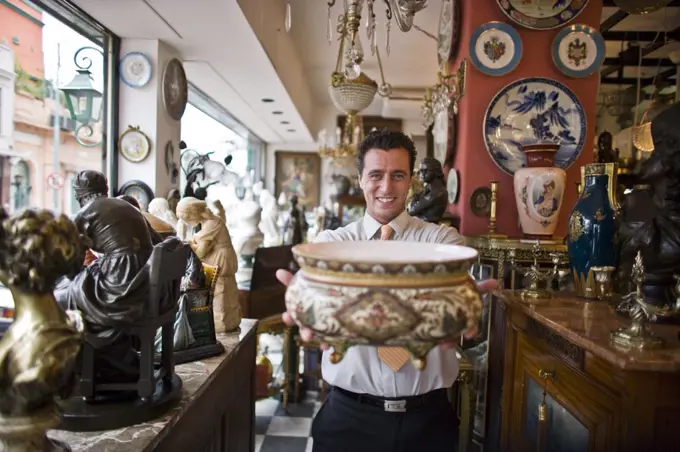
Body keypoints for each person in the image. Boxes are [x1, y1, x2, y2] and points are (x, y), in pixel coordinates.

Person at [276, 130, 498, 452]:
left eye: (398, 175)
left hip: (429, 421)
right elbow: (317, 303)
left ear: (411, 181)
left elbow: (456, 303)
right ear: (360, 178)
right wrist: (307, 308)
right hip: (348, 418)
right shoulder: (331, 245)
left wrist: (463, 310)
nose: (386, 187)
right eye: (376, 175)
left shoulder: (443, 243)